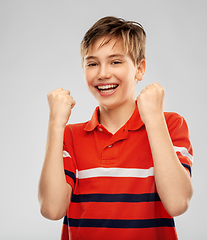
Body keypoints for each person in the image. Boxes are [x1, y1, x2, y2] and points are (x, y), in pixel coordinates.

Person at [38, 16, 193, 240]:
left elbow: (178, 203)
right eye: (92, 63)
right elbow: (51, 209)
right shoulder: (69, 136)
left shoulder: (169, 125)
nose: (103, 73)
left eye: (115, 62)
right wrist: (55, 124)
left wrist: (154, 120)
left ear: (139, 69)